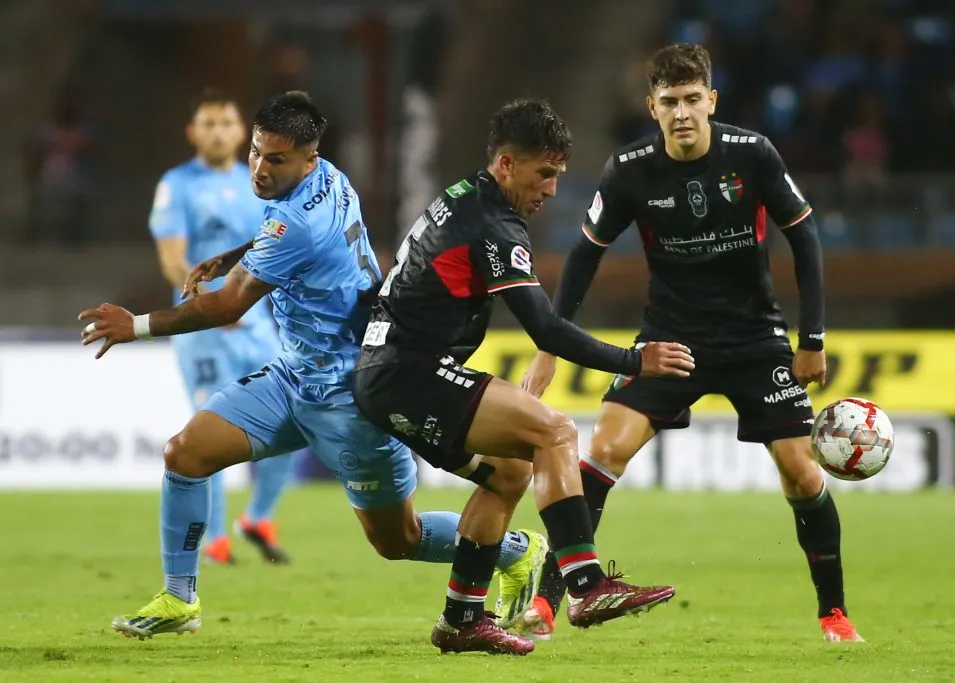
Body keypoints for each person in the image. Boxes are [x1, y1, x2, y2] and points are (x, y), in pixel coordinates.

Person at [79, 91, 546, 641]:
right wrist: (233, 253)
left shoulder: (297, 223)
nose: (258, 167)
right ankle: (180, 599)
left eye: (275, 160)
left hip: (355, 390)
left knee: (399, 542)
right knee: (185, 454)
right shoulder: (329, 178)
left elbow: (229, 304)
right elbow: (282, 235)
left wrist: (134, 325)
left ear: (308, 156)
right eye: (255, 152)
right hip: (293, 375)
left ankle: (515, 550)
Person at [518, 43, 864, 644]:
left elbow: (804, 235)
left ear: (712, 101)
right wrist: (550, 349)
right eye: (670, 101)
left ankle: (834, 614)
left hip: (755, 339)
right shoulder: (629, 170)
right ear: (652, 107)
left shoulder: (752, 154)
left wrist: (812, 339)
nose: (682, 112)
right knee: (604, 448)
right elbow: (583, 258)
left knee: (802, 474)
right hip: (670, 340)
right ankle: (549, 603)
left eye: (693, 99)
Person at [353, 98, 695, 656]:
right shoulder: (494, 224)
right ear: (507, 165)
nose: (552, 189)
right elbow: (546, 329)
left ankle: (462, 619)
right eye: (545, 174)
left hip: (390, 371)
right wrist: (637, 360)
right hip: (405, 373)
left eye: (558, 174)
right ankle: (585, 588)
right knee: (554, 432)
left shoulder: (466, 197)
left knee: (509, 472)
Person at [149, 88, 294, 566]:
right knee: (206, 431)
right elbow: (174, 260)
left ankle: (259, 516)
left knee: (294, 418)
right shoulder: (177, 184)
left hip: (255, 324)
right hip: (204, 328)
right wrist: (212, 306)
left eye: (225, 123)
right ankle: (212, 538)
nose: (216, 132)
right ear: (193, 133)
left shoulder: (260, 183)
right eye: (207, 124)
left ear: (242, 134)